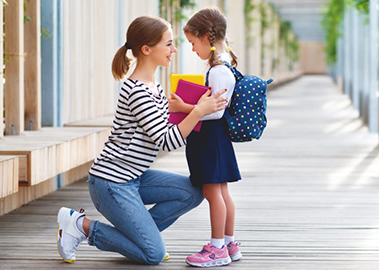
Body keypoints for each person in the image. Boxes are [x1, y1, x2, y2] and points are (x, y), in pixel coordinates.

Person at [56, 15, 227, 265]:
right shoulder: (137, 91)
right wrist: (199, 111)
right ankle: (82, 226)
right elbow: (166, 141)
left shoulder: (153, 86)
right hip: (111, 183)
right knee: (152, 254)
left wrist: (188, 107)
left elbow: (162, 124)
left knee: (193, 192)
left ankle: (140, 237)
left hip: (134, 177)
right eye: (168, 44)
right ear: (147, 49)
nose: (174, 49)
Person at [168, 7, 242, 268]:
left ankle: (217, 247)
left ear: (207, 37)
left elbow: (214, 113)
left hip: (210, 140)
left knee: (213, 193)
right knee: (222, 192)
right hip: (216, 141)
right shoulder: (224, 66)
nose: (191, 49)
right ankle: (229, 242)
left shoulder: (218, 70)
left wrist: (183, 108)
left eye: (192, 42)